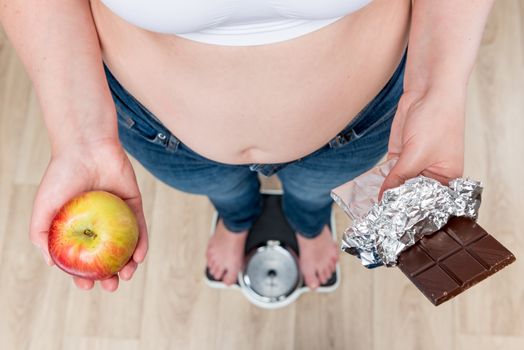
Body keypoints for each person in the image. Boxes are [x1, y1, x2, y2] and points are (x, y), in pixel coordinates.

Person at [0, 0, 494, 292]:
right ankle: (236, 220)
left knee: (314, 191)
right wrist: (79, 136)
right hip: (162, 129)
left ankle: (310, 223)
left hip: (358, 121)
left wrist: (438, 91)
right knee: (220, 190)